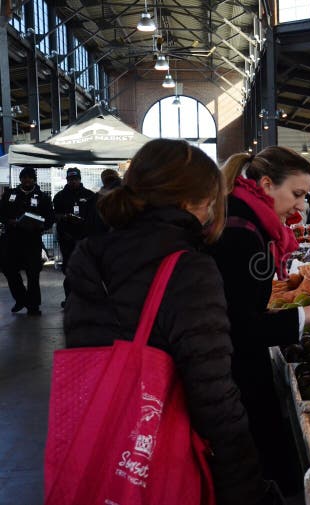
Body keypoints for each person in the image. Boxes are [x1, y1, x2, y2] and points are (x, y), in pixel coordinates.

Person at [64, 139, 272, 504]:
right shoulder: (189, 268)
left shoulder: (88, 256)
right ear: (193, 202)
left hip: (100, 441)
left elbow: (87, 354)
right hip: (166, 460)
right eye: (211, 199)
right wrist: (246, 485)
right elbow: (212, 394)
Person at [214, 147, 310, 494]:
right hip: (232, 373)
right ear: (265, 184)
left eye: (304, 196)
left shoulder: (246, 221)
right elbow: (239, 326)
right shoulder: (241, 234)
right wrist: (309, 313)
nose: (300, 206)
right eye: (296, 194)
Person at [0, 167, 54, 315]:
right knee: (9, 269)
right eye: (24, 177)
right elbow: (1, 213)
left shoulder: (42, 197)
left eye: (30, 177)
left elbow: (50, 218)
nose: (27, 180)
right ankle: (21, 298)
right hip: (12, 240)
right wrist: (8, 221)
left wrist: (41, 225)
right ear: (21, 179)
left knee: (33, 273)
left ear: (34, 179)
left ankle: (33, 305)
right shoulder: (10, 194)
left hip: (32, 240)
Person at [52, 167, 96, 306]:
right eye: (70, 179)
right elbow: (54, 215)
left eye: (75, 179)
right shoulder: (60, 196)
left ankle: (84, 298)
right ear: (67, 179)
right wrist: (65, 217)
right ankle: (70, 298)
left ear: (80, 179)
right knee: (70, 269)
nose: (73, 182)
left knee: (85, 269)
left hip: (85, 239)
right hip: (67, 239)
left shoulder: (89, 195)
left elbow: (94, 217)